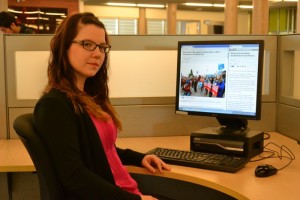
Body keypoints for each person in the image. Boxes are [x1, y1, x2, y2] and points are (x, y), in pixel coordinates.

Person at [33, 12, 171, 200]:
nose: (98, 53)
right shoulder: (54, 106)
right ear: (63, 47)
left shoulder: (89, 98)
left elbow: (103, 151)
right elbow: (74, 177)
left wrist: (139, 158)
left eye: (102, 47)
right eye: (87, 44)